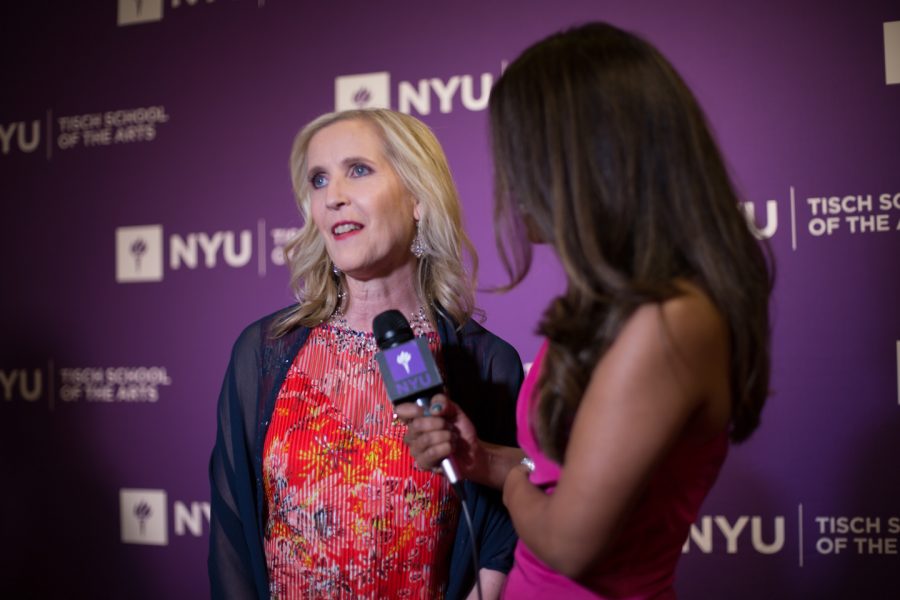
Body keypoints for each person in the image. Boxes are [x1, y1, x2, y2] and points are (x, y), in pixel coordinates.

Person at [399, 22, 773, 598]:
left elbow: (572, 541)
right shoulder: (633, 309)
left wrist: (517, 487)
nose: (510, 182)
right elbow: (569, 482)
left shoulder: (669, 321)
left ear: (586, 158)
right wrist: (486, 461)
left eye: (522, 153)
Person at [208, 108, 523, 599]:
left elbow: (502, 539)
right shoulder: (263, 354)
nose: (333, 197)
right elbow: (231, 540)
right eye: (319, 179)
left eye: (358, 170)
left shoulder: (484, 365)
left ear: (418, 197)